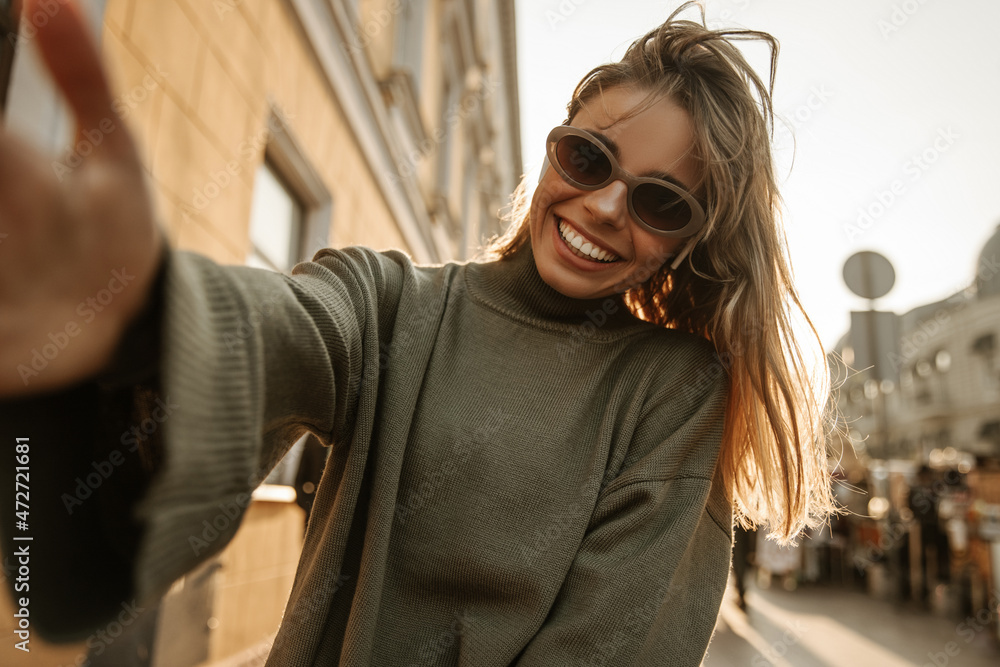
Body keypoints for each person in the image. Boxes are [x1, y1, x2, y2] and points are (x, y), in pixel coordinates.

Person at [0, 1, 839, 664]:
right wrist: (137, 319)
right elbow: (281, 328)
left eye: (660, 201)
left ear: (686, 241)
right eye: (588, 159)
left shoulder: (671, 389)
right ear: (552, 151)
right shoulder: (391, 302)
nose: (606, 207)